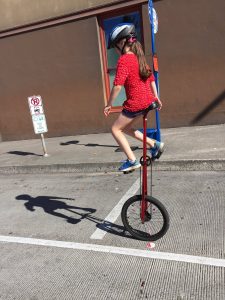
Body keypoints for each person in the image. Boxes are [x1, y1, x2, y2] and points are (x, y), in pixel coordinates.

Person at [104, 23, 164, 172]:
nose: (116, 51)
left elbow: (117, 86)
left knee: (115, 129)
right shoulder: (139, 58)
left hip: (136, 103)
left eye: (115, 46)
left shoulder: (124, 60)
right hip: (148, 101)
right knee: (126, 128)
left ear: (122, 42)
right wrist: (156, 97)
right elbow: (151, 79)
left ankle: (132, 160)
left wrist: (109, 105)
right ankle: (154, 144)